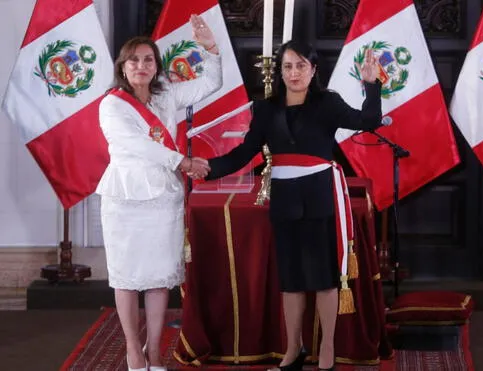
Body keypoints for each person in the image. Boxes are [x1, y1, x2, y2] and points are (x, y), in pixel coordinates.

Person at [206, 40, 382, 371]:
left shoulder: (327, 103)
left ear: (313, 69)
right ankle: (293, 349)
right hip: (285, 200)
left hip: (319, 196)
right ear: (280, 72)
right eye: (287, 66)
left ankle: (327, 348)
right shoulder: (265, 109)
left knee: (324, 278)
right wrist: (207, 168)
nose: (294, 72)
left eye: (301, 65)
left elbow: (369, 120)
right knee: (291, 280)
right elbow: (244, 154)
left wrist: (371, 85)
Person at [95, 15, 220, 371]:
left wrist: (209, 46)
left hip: (162, 198)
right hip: (126, 199)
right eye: (134, 59)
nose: (141, 65)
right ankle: (133, 351)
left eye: (148, 59)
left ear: (156, 65)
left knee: (159, 276)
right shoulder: (112, 105)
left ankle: (153, 351)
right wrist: (184, 161)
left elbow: (212, 81)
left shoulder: (166, 96)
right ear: (123, 65)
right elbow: (136, 145)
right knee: (127, 277)